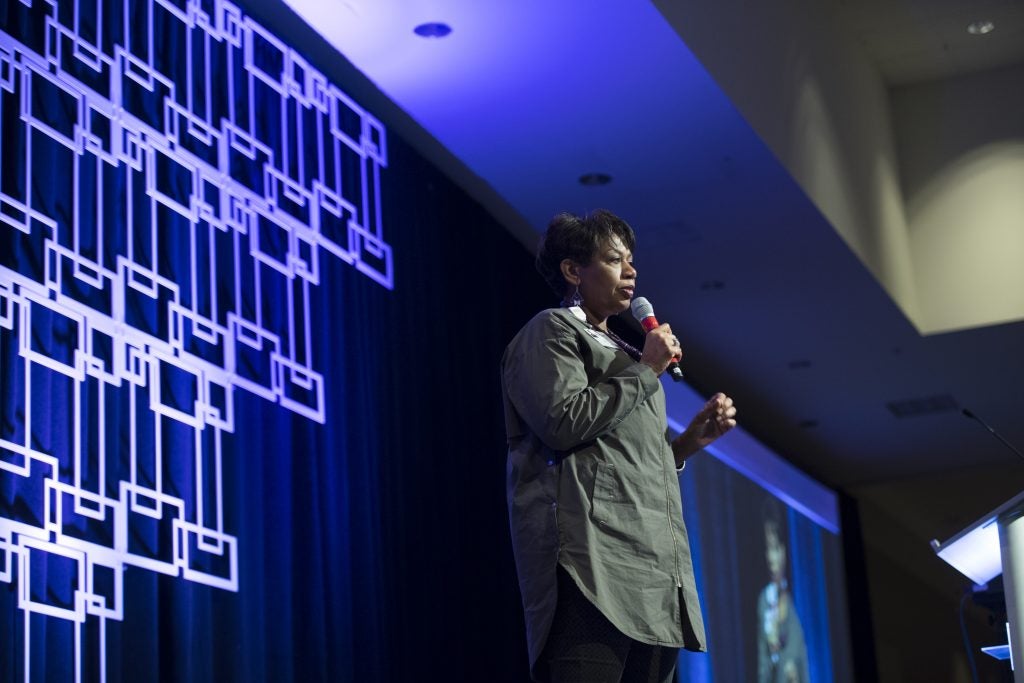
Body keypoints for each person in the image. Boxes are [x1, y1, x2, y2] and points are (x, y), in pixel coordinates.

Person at [501, 209, 737, 683]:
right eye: (614, 260)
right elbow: (561, 422)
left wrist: (688, 443)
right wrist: (647, 370)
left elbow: (621, 464)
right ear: (573, 271)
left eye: (631, 261)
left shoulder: (628, 353)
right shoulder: (552, 331)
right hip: (592, 569)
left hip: (653, 578)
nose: (631, 272)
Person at [756, 501, 809, 683]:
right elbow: (763, 665)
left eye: (775, 549)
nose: (771, 558)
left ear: (785, 550)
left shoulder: (797, 602)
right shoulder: (765, 599)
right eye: (767, 549)